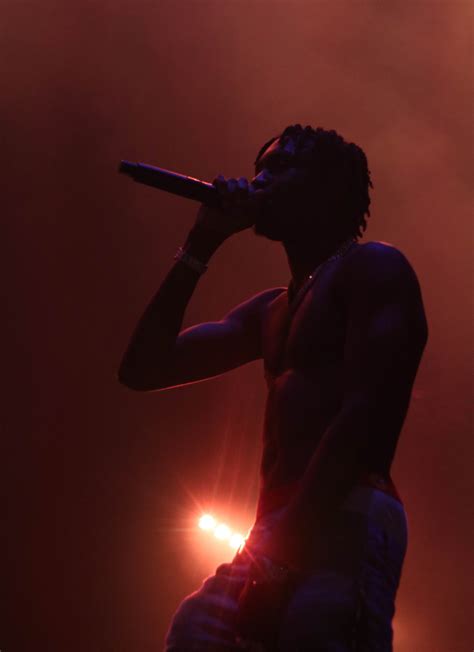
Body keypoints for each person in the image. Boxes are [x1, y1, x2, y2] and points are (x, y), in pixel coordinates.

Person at [118, 124, 428, 651]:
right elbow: (143, 370)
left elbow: (365, 419)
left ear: (328, 188)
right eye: (260, 167)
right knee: (196, 630)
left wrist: (288, 549)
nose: (259, 179)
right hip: (276, 527)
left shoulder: (375, 268)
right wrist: (201, 242)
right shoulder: (271, 310)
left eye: (280, 168)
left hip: (343, 510)